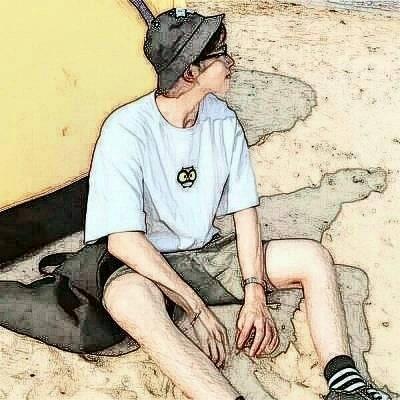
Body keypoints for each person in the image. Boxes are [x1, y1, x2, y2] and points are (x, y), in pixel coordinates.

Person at [84, 7, 391, 400]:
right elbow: (124, 241)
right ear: (190, 71)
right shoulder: (127, 130)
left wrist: (255, 294)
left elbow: (245, 213)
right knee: (130, 301)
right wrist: (196, 309)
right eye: (221, 54)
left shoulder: (222, 120)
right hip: (145, 265)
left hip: (205, 253)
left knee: (312, 257)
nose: (232, 62)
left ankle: (346, 386)